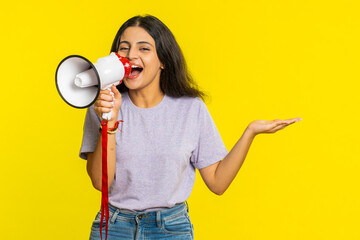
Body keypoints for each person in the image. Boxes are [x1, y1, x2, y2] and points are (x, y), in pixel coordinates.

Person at [79, 15, 302, 240]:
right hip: (115, 227)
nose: (131, 56)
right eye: (123, 48)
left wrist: (250, 132)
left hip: (170, 229)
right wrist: (110, 121)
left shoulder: (191, 109)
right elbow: (100, 182)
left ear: (163, 61)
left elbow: (217, 182)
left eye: (144, 48)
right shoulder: (103, 105)